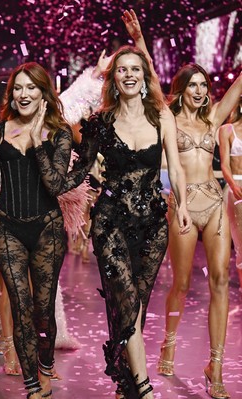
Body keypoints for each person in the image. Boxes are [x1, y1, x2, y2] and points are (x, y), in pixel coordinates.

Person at [71, 41, 191, 397]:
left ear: (144, 75)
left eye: (134, 69)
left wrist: (182, 204)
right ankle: (144, 389)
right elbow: (79, 168)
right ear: (113, 79)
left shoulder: (162, 116)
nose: (128, 74)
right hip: (110, 224)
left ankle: (126, 383)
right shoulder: (100, 122)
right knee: (125, 299)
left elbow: (177, 169)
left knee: (134, 307)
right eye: (121, 69)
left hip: (153, 225)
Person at [0, 60, 80, 399]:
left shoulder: (59, 133)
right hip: (7, 229)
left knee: (43, 310)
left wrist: (36, 142)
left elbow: (55, 186)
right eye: (17, 88)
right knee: (20, 307)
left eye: (30, 87)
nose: (22, 94)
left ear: (43, 92)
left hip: (47, 229)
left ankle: (46, 368)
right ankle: (34, 385)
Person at [158, 62, 241, 399]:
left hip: (213, 203)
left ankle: (216, 366)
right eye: (192, 85)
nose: (199, 91)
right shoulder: (168, 119)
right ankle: (169, 341)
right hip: (183, 206)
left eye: (203, 85)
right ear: (181, 90)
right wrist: (139, 41)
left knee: (220, 279)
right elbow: (149, 74)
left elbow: (239, 83)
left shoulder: (214, 118)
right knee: (181, 284)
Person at [220, 97, 242, 289]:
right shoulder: (227, 130)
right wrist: (233, 185)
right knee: (241, 242)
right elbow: (224, 164)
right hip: (237, 186)